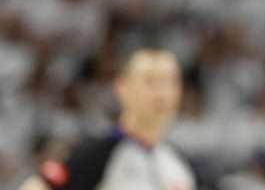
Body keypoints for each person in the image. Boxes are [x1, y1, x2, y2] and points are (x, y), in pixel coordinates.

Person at [19, 47, 195, 190]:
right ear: (122, 87)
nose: (161, 92)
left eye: (170, 81)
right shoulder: (99, 154)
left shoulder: (178, 164)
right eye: (150, 80)